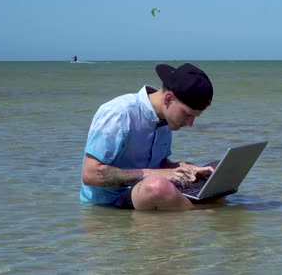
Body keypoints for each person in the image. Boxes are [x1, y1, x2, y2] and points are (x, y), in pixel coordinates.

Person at [80, 63, 216, 211]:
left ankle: (200, 208)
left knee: (215, 170)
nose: (190, 123)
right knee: (157, 186)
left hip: (146, 189)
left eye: (195, 117)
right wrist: (158, 174)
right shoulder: (119, 113)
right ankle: (202, 218)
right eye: (187, 114)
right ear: (168, 99)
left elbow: (159, 164)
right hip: (109, 202)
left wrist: (183, 168)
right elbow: (90, 174)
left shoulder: (165, 119)